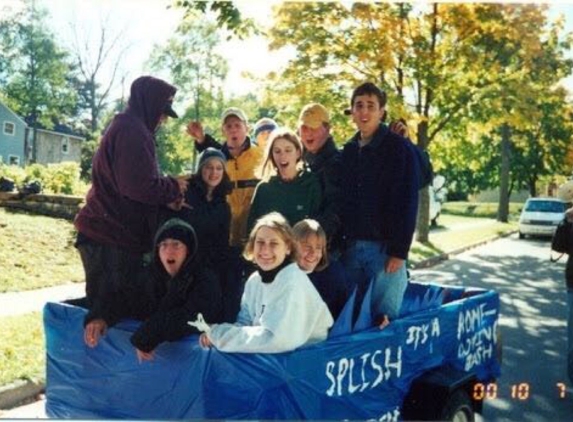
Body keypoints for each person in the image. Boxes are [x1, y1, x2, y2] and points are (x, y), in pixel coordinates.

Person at [74, 75, 188, 318]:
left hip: (112, 235)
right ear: (150, 105)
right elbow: (138, 187)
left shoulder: (130, 127)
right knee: (106, 316)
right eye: (162, 112)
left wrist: (165, 194)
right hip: (107, 238)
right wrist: (173, 187)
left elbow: (130, 184)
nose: (164, 120)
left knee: (115, 312)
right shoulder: (132, 131)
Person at [84, 218, 224, 362]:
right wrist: (100, 316)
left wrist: (152, 332)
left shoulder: (204, 279)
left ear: (188, 250)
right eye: (163, 245)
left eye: (176, 244)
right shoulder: (149, 276)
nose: (169, 251)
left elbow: (194, 316)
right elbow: (124, 298)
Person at [194, 212, 333, 353]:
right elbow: (245, 324)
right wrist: (215, 335)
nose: (265, 250)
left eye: (273, 243)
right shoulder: (254, 280)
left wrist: (220, 335)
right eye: (260, 242)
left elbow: (274, 340)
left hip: (307, 360)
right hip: (274, 360)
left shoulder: (293, 281)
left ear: (288, 248)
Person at [340, 82, 420, 324]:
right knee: (354, 318)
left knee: (383, 320)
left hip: (385, 250)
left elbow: (408, 200)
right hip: (353, 249)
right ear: (352, 111)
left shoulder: (398, 149)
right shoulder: (349, 151)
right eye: (359, 106)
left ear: (381, 111)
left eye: (371, 106)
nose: (364, 112)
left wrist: (399, 250)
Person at [161, 147, 238, 321]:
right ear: (200, 170)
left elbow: (222, 242)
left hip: (210, 261)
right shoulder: (185, 196)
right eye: (208, 167)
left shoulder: (223, 205)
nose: (214, 172)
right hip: (185, 260)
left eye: (219, 168)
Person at [187, 108, 262, 247]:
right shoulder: (217, 161)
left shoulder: (262, 156)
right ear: (223, 131)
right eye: (228, 126)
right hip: (224, 233)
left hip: (255, 235)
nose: (233, 130)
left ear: (247, 128)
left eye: (238, 125)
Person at [247, 129, 322, 232]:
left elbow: (318, 230)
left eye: (288, 150)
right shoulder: (264, 189)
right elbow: (251, 231)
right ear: (271, 155)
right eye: (277, 151)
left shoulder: (311, 184)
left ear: (298, 153)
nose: (282, 156)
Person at [297, 104, 344, 253]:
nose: (308, 133)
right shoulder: (297, 161)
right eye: (304, 128)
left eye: (314, 128)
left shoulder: (336, 164)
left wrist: (314, 244)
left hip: (324, 249)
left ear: (328, 129)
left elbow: (335, 210)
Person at [292, 219, 350, 320]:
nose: (313, 253)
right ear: (292, 247)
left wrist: (376, 319)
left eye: (318, 247)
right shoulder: (280, 273)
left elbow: (349, 308)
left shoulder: (333, 273)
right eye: (307, 247)